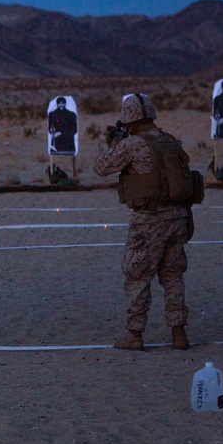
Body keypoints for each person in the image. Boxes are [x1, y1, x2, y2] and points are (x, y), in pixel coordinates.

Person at [91, 93, 191, 351]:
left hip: (149, 220)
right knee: (173, 275)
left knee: (137, 275)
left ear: (129, 118)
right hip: (178, 217)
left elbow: (100, 167)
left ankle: (135, 334)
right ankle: (178, 334)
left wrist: (115, 144)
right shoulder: (170, 141)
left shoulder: (132, 145)